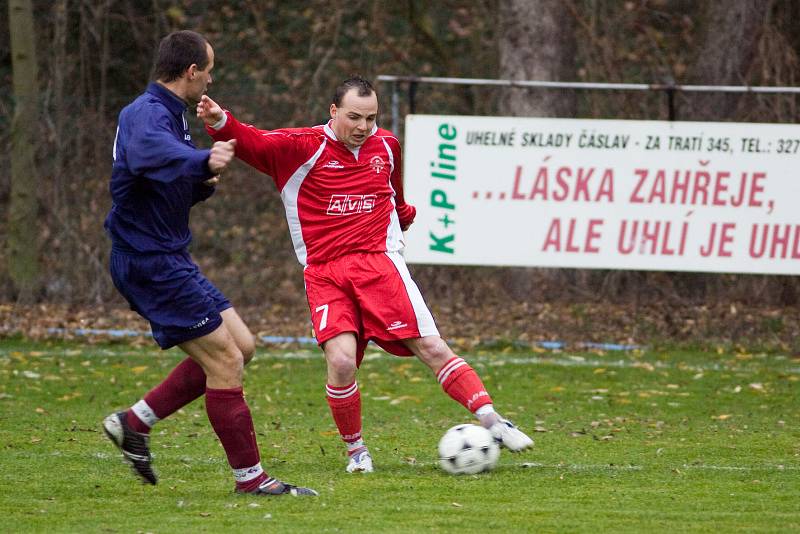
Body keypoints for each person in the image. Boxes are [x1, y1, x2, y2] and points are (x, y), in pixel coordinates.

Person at [197, 76, 533, 473]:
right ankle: (357, 452)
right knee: (340, 363)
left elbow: (394, 191)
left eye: (370, 118)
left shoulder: (386, 146)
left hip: (378, 264)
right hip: (325, 273)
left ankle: (494, 422)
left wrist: (404, 214)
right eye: (354, 117)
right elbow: (253, 142)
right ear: (333, 111)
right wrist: (220, 121)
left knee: (433, 348)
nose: (362, 127)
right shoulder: (301, 148)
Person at [102, 30, 317, 496]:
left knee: (242, 345)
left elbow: (155, 178)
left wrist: (200, 182)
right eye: (209, 68)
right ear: (191, 71)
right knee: (225, 362)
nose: (212, 77)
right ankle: (252, 479)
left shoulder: (170, 115)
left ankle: (134, 422)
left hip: (168, 256)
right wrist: (200, 160)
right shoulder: (145, 113)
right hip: (149, 262)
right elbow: (147, 155)